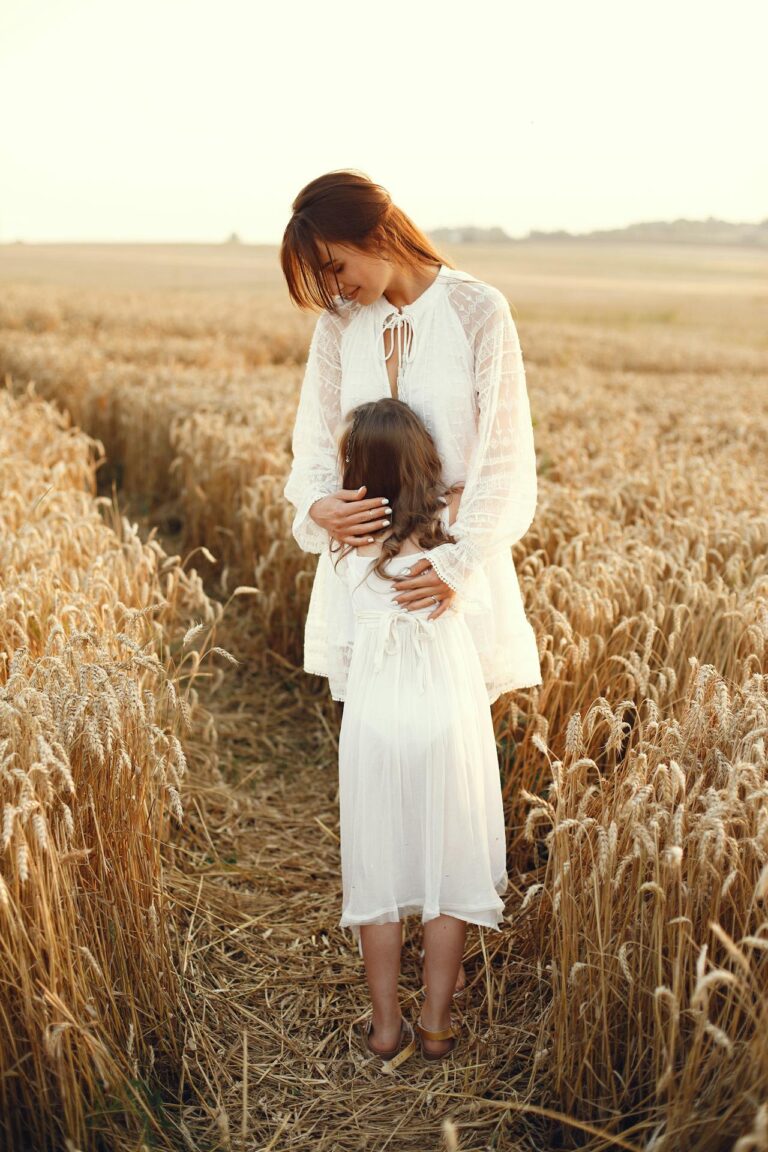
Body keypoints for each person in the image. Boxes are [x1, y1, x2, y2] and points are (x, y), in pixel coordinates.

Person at [280, 169, 542, 1059]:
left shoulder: (478, 311)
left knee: (453, 786)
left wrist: (457, 564)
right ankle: (417, 1006)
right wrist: (320, 508)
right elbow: (313, 449)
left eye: (334, 264)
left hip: (453, 592)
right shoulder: (337, 329)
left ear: (379, 228)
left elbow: (507, 463)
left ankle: (430, 1004)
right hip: (365, 583)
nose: (332, 287)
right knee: (392, 786)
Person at [327, 397, 510, 1067]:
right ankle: (436, 1023)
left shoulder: (346, 542)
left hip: (376, 722)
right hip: (446, 718)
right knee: (446, 865)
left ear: (357, 472)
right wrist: (450, 492)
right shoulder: (453, 533)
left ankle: (384, 1028)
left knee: (378, 874)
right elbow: (482, 494)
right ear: (424, 465)